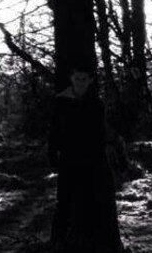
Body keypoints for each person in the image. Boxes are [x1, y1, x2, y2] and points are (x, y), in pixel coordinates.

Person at [48, 66, 123, 253]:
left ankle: (91, 242)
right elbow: (54, 131)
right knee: (64, 201)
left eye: (84, 79)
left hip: (92, 160)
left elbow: (100, 132)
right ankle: (57, 241)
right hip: (68, 159)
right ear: (71, 78)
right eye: (77, 77)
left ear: (90, 81)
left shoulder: (96, 104)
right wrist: (53, 154)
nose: (80, 82)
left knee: (91, 199)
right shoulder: (61, 102)